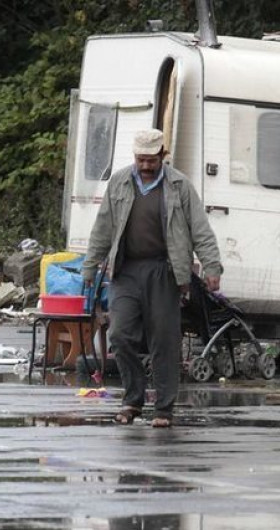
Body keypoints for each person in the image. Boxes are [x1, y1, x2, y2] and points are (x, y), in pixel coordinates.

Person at [82, 129, 223, 428]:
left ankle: (163, 408)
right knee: (119, 335)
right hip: (126, 270)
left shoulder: (179, 186)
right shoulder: (119, 182)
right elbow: (103, 228)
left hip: (164, 271)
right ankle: (132, 400)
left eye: (151, 160)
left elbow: (200, 229)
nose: (146, 166)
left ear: (162, 156)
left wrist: (212, 267)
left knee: (164, 341)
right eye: (141, 160)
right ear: (134, 157)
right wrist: (89, 266)